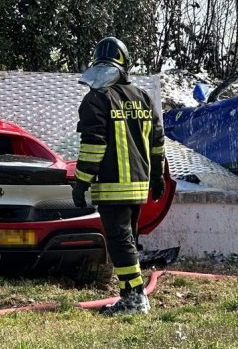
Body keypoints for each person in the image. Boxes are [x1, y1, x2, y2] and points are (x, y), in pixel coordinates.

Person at [73, 36, 165, 316]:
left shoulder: (97, 98)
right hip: (139, 186)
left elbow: (93, 145)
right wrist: (157, 176)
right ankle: (130, 294)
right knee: (128, 240)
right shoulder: (143, 97)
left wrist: (81, 182)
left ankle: (135, 297)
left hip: (113, 185)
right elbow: (157, 141)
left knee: (119, 241)